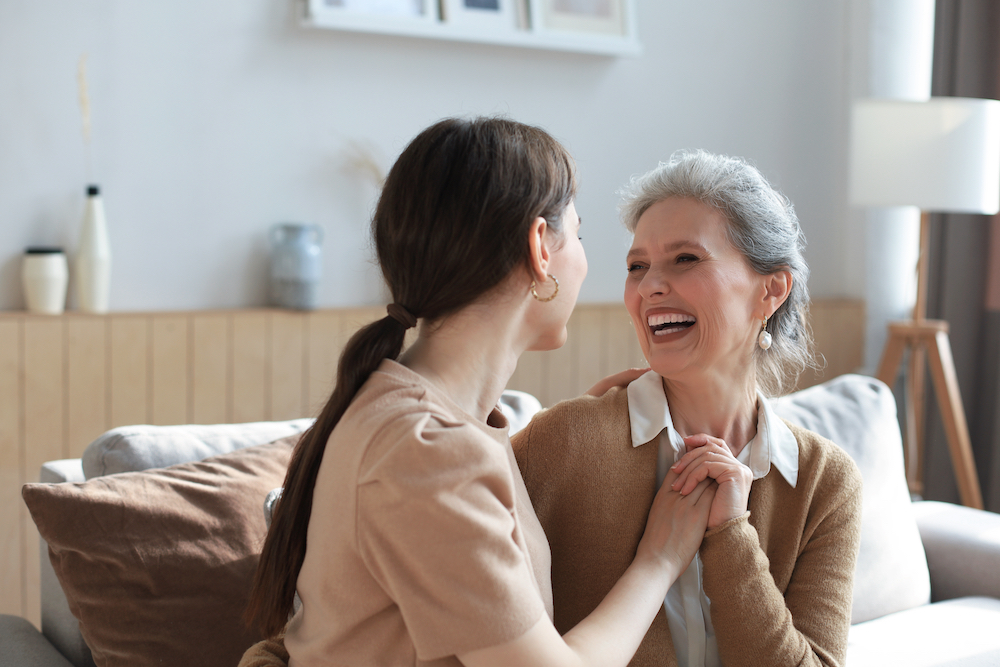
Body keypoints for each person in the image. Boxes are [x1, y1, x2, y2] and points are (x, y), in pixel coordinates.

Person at [240, 118, 717, 667]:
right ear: (540, 247)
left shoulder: (421, 418)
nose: (588, 262)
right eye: (579, 236)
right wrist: (660, 557)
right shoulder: (427, 450)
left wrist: (577, 432)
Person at [512, 150, 863, 667]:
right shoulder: (566, 441)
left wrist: (730, 537)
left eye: (685, 259)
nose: (650, 286)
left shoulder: (823, 481)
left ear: (771, 290)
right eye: (637, 266)